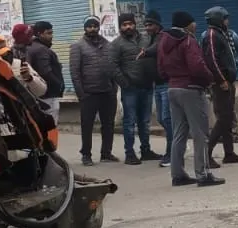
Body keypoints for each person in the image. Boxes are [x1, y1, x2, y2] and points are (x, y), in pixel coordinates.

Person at [157, 11, 223, 188]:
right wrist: (209, 79)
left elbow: (161, 67)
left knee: (179, 133)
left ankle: (177, 174)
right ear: (187, 24)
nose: (195, 25)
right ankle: (203, 174)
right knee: (200, 133)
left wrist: (172, 78)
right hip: (191, 89)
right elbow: (197, 66)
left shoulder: (164, 41)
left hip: (172, 88)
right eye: (192, 22)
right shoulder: (188, 40)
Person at [201, 6, 238, 166]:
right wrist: (221, 80)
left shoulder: (222, 34)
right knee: (224, 118)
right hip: (221, 84)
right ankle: (206, 153)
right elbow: (212, 61)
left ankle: (229, 153)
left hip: (227, 82)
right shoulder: (212, 35)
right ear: (218, 19)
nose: (227, 21)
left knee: (227, 118)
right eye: (225, 18)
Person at [69, 16, 118, 165]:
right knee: (87, 125)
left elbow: (113, 68)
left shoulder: (108, 45)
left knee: (108, 124)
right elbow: (74, 72)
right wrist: (81, 94)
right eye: (89, 26)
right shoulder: (78, 46)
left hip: (107, 92)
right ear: (85, 28)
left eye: (95, 26)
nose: (92, 29)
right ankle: (86, 154)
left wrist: (113, 88)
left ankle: (106, 153)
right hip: (89, 93)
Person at [110, 12, 158, 165]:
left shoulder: (146, 39)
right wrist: (124, 83)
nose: (128, 26)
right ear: (120, 27)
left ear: (135, 24)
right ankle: (129, 153)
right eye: (124, 24)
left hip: (147, 86)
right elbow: (113, 66)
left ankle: (146, 150)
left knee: (144, 121)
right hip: (130, 89)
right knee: (129, 121)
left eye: (130, 23)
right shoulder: (117, 44)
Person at [142, 11, 174, 167]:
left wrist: (145, 52)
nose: (148, 28)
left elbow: (157, 48)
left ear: (158, 25)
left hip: (166, 84)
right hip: (158, 85)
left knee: (167, 119)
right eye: (146, 25)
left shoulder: (163, 36)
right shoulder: (151, 38)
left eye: (150, 24)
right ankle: (176, 146)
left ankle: (172, 152)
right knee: (162, 119)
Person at [24, 21, 65, 118]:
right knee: (50, 124)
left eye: (52, 33)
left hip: (37, 93)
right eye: (48, 33)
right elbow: (45, 72)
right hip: (47, 95)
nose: (51, 36)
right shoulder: (41, 49)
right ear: (39, 34)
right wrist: (58, 84)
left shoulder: (30, 47)